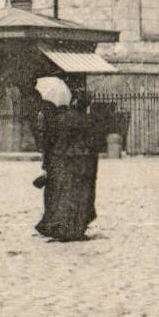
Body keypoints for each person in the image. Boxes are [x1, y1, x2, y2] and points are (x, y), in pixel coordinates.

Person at [34, 80, 99, 243]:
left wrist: (46, 161)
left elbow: (52, 140)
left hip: (62, 158)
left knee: (61, 194)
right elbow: (92, 144)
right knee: (78, 195)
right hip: (82, 162)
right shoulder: (87, 120)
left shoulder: (60, 118)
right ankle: (75, 226)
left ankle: (57, 224)